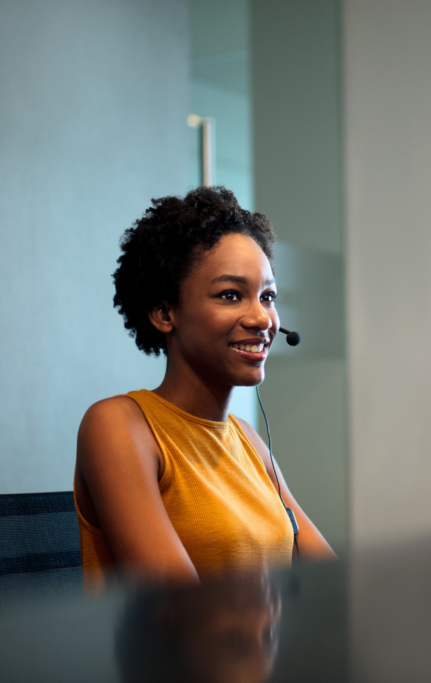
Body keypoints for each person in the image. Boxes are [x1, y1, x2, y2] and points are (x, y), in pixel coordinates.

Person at [74, 187, 335, 590]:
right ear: (165, 312)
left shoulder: (248, 439)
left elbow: (331, 582)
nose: (262, 318)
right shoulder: (118, 426)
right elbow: (185, 613)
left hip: (267, 651)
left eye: (267, 296)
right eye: (230, 295)